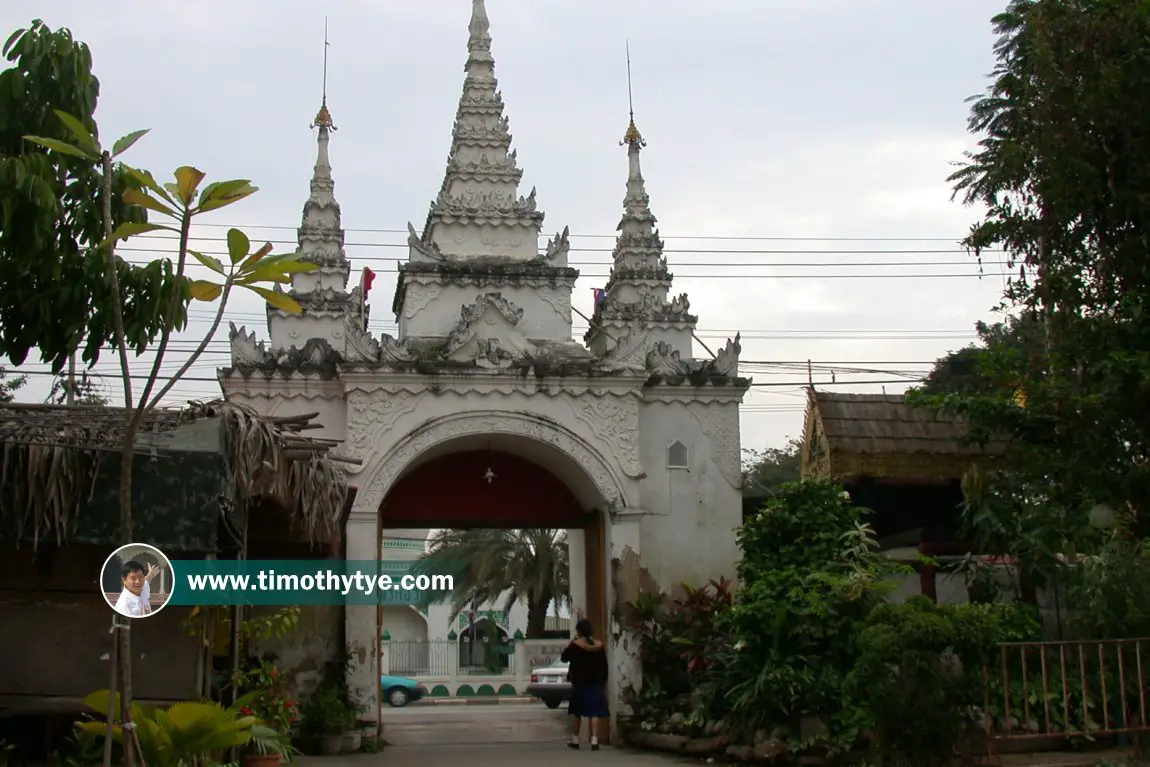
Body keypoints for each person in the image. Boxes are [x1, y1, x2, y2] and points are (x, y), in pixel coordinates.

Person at [561, 618, 609, 750]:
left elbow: (564, 658)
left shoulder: (576, 645)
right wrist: (603, 681)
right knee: (595, 712)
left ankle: (575, 740)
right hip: (596, 683)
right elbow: (604, 666)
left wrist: (572, 642)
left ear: (579, 631)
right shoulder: (599, 645)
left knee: (578, 712)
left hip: (580, 683)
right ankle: (594, 741)